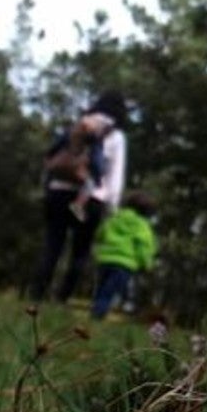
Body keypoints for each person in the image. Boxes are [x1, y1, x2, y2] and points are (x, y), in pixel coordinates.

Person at [29, 90, 129, 304]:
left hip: (58, 191)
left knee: (52, 245)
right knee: (79, 252)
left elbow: (53, 155)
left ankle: (36, 296)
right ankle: (61, 299)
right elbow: (115, 176)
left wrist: (47, 186)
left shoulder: (80, 124)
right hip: (90, 198)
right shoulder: (116, 135)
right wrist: (112, 207)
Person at [90, 192, 157, 320]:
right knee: (110, 291)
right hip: (125, 263)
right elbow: (143, 247)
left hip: (105, 260)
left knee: (101, 288)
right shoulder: (142, 226)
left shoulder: (114, 218)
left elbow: (100, 234)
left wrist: (99, 250)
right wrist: (146, 264)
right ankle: (98, 315)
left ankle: (96, 310)